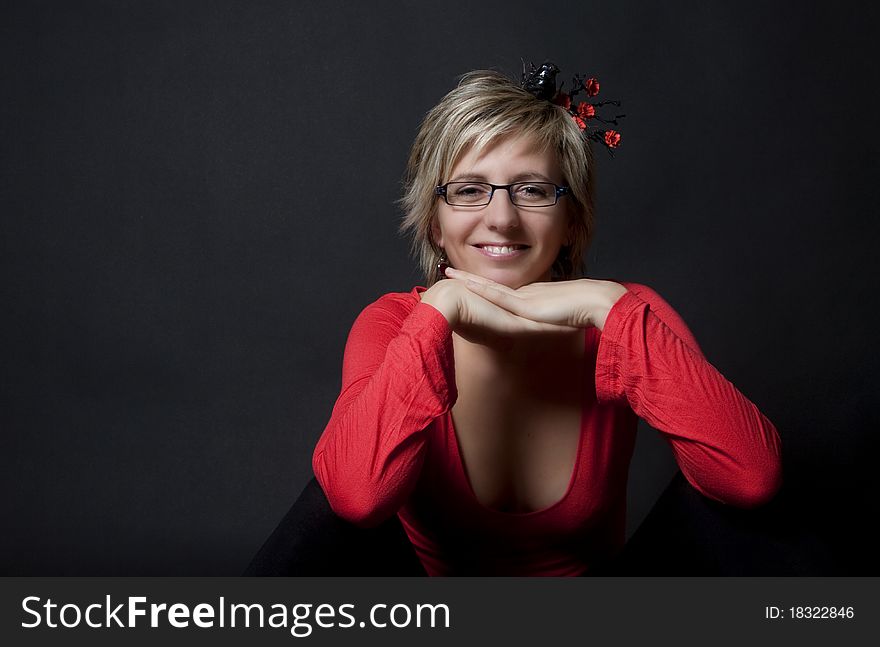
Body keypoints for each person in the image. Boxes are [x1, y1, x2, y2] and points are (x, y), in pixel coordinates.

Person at [303, 64, 781, 576]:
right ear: (433, 224)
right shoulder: (393, 323)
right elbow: (357, 496)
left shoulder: (622, 314)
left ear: (572, 221)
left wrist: (605, 308)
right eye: (467, 190)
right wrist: (438, 313)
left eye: (532, 190)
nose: (502, 218)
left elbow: (750, 478)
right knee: (324, 494)